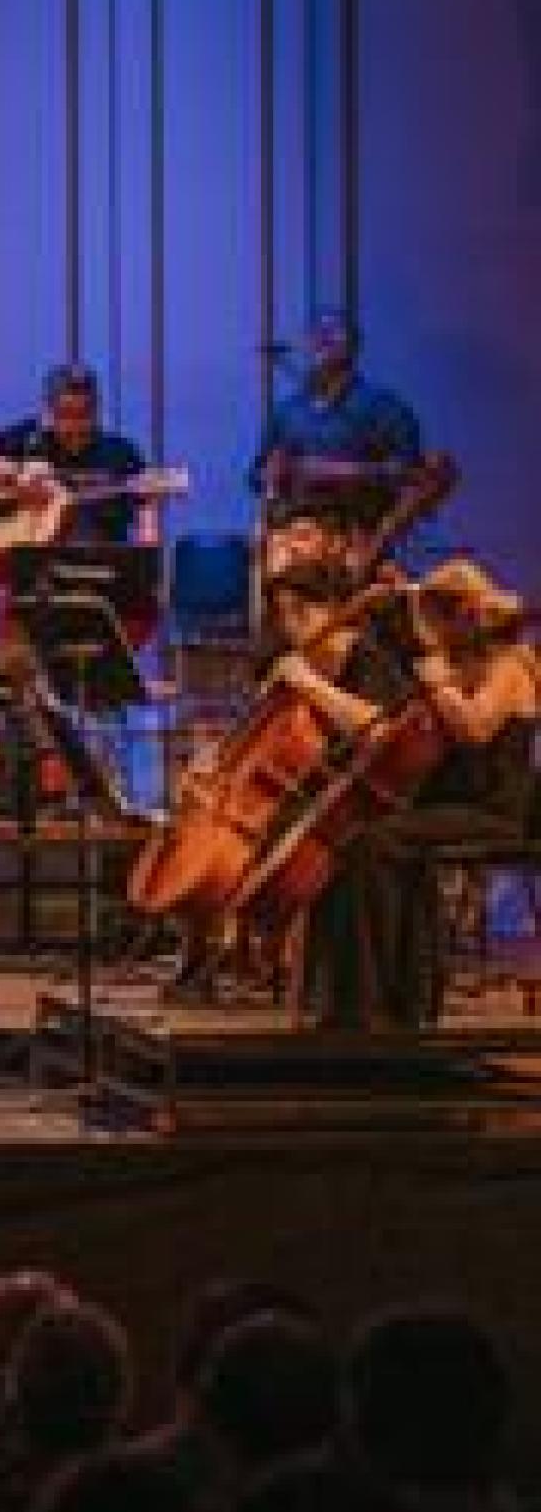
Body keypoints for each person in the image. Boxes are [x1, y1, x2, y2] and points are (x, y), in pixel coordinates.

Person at [283, 561, 537, 1030]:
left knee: (373, 843)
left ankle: (371, 1005)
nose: (427, 633)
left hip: (492, 811)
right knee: (355, 837)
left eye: (431, 622)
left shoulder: (512, 664)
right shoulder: (457, 665)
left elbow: (476, 729)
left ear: (459, 618)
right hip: (447, 806)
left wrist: (434, 676)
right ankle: (372, 1000)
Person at [251, 309, 426, 532]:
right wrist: (272, 474)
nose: (324, 337)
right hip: (295, 531)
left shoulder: (383, 407)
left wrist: (348, 471)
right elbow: (255, 475)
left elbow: (413, 472)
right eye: (317, 332)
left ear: (354, 346)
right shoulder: (288, 411)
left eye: (333, 331)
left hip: (359, 531)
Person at [0, 363, 158, 547]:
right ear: (50, 410)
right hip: (33, 553)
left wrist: (148, 544)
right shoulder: (31, 437)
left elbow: (146, 508)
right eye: (66, 413)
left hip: (101, 557)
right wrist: (17, 479)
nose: (75, 423)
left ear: (96, 410)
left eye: (84, 413)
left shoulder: (122, 452)